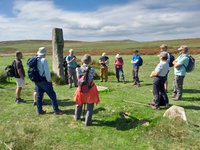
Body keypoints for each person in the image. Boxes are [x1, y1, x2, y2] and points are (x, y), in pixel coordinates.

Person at [35, 47, 62, 115]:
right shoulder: (44, 60)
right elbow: (47, 72)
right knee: (52, 95)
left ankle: (39, 110)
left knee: (39, 96)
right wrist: (49, 81)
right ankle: (56, 110)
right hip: (44, 80)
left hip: (37, 80)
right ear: (44, 53)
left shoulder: (35, 59)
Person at [74, 54, 100, 126]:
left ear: (83, 60)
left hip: (80, 89)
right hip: (90, 89)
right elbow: (91, 79)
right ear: (90, 61)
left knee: (79, 104)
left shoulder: (78, 69)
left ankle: (77, 117)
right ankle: (88, 122)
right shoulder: (92, 69)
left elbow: (78, 78)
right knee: (90, 106)